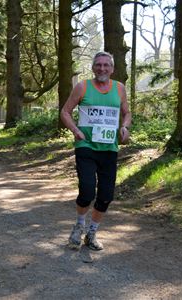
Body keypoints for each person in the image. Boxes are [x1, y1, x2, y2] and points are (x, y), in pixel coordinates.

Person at [60, 51, 131, 251]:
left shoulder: (119, 88)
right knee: (87, 190)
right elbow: (65, 112)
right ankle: (79, 226)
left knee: (106, 195)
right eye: (98, 65)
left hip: (109, 149)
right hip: (86, 147)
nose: (102, 68)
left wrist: (125, 127)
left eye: (106, 65)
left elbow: (127, 113)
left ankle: (92, 233)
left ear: (112, 69)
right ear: (93, 68)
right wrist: (75, 131)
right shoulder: (83, 87)